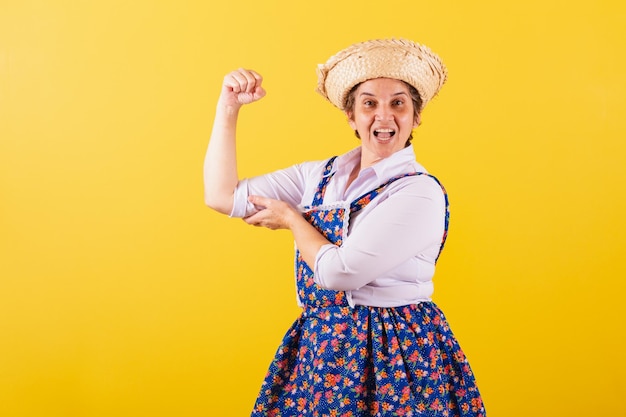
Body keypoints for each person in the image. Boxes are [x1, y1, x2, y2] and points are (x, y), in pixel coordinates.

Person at [204, 38, 486, 417]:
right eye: (369, 103)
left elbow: (340, 272)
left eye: (398, 103)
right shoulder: (318, 176)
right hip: (322, 347)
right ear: (351, 117)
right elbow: (222, 196)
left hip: (395, 355)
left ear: (416, 116)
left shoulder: (419, 192)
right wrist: (228, 107)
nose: (384, 116)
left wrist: (292, 218)